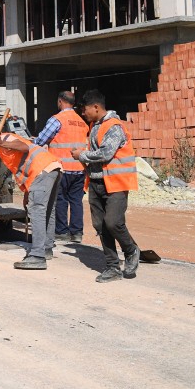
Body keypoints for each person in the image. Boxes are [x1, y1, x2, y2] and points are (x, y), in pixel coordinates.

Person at [71, 90, 141, 283]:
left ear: (96, 107)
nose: (83, 113)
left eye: (84, 109)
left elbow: (105, 153)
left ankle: (131, 250)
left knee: (113, 222)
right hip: (96, 182)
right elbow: (97, 152)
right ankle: (112, 267)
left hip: (116, 183)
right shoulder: (95, 126)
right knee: (101, 226)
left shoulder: (114, 126)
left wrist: (81, 155)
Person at [0, 124, 62, 270]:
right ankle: (46, 248)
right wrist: (27, 193)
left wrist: (0, 142)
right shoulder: (5, 144)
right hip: (51, 168)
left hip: (41, 170)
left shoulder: (5, 138)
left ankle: (37, 256)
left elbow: (24, 147)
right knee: (48, 210)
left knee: (37, 212)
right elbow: (23, 167)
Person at [33, 91, 89, 243]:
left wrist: (30, 142)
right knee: (76, 201)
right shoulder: (82, 122)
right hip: (79, 168)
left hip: (62, 167)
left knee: (60, 199)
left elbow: (41, 140)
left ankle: (62, 231)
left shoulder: (57, 119)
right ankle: (77, 233)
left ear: (60, 101)